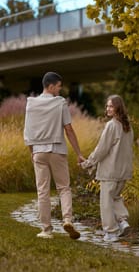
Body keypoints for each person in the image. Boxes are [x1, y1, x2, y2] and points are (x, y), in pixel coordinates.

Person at [24, 71, 85, 239]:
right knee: (64, 188)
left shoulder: (31, 104)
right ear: (51, 86)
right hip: (57, 151)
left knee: (42, 191)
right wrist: (79, 153)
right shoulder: (60, 103)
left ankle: (46, 230)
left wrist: (32, 152)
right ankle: (67, 220)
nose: (60, 90)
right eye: (58, 87)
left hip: (38, 152)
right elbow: (69, 129)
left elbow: (28, 132)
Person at [81, 94, 134, 242]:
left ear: (118, 107)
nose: (108, 108)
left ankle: (111, 232)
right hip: (123, 171)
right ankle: (123, 222)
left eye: (111, 106)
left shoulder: (111, 125)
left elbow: (101, 149)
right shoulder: (127, 126)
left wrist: (88, 162)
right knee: (115, 197)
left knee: (106, 201)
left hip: (110, 172)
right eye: (107, 106)